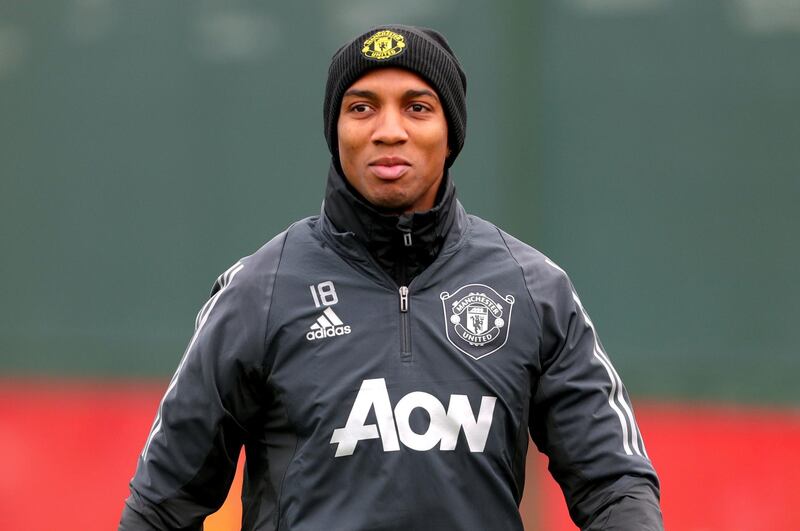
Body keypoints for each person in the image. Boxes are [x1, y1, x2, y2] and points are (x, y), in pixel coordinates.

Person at [119, 25, 662, 530]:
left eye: (417, 107)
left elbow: (614, 483)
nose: (388, 131)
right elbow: (161, 505)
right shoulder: (259, 289)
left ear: (451, 134)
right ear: (336, 133)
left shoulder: (533, 289)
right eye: (362, 108)